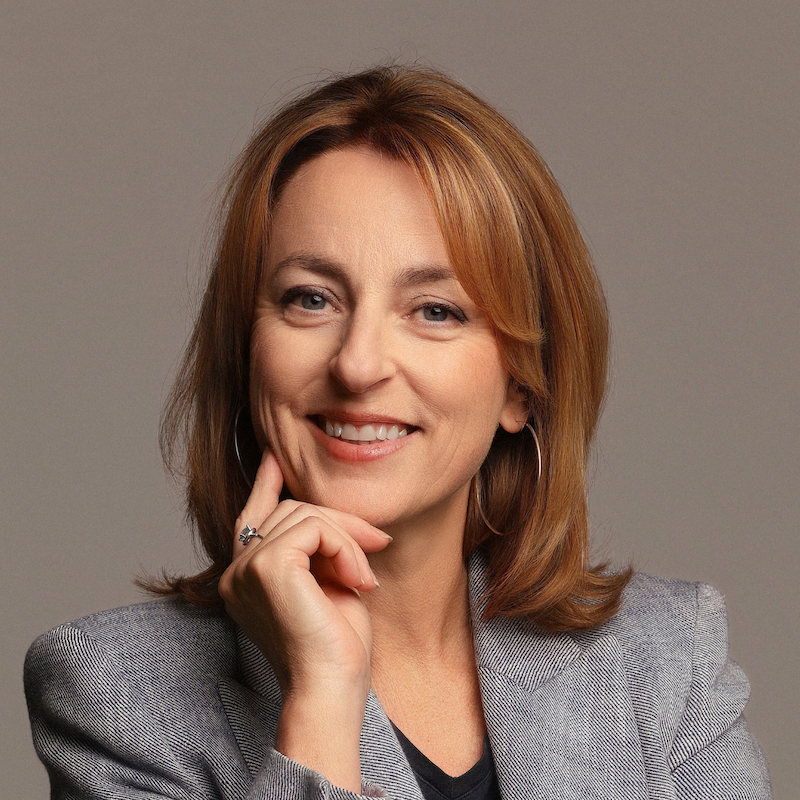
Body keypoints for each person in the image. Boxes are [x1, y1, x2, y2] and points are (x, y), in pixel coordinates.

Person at [25, 65, 771, 799]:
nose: (358, 364)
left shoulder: (666, 663)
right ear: (247, 350)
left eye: (434, 311)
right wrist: (322, 697)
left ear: (522, 384)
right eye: (311, 299)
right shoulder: (113, 694)